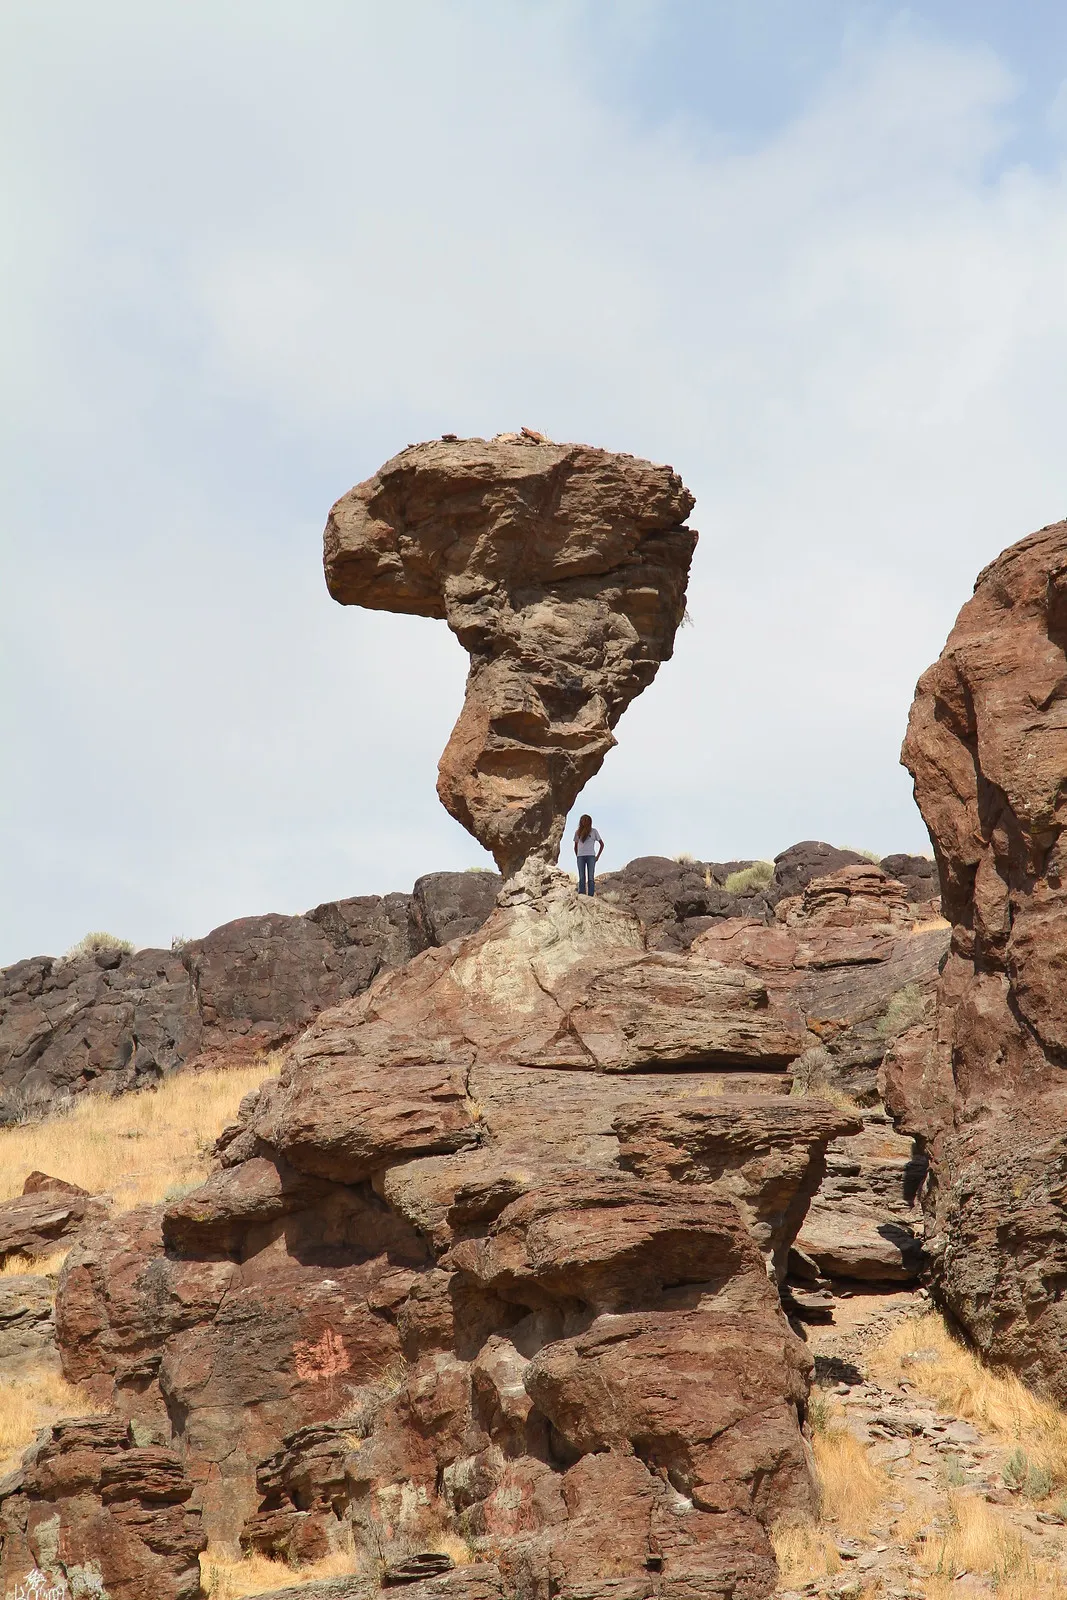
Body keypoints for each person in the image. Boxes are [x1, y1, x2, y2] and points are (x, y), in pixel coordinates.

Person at [573, 813, 604, 895]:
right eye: (583, 820)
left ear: (589, 822)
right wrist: (578, 856)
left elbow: (602, 844)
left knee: (591, 877)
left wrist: (597, 856)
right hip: (580, 857)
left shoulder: (594, 831)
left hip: (591, 856)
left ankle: (590, 895)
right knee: (582, 877)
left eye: (586, 820)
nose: (584, 822)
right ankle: (582, 894)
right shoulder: (577, 832)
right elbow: (575, 846)